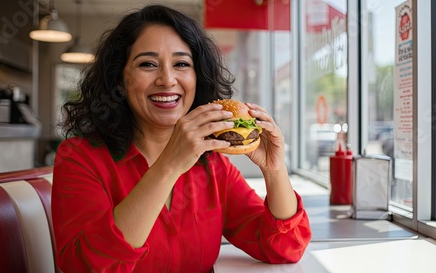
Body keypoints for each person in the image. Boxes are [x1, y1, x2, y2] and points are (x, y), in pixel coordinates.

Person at [51, 4, 312, 273]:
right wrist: (169, 165)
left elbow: (285, 247)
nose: (167, 79)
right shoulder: (80, 157)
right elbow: (84, 266)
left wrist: (274, 170)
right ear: (119, 80)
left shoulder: (213, 165)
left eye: (181, 64)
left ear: (197, 78)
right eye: (148, 64)